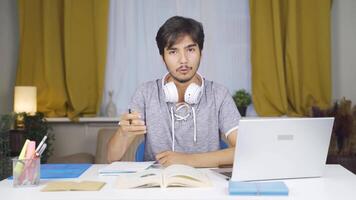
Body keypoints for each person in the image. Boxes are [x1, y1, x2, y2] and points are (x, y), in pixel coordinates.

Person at [107, 16, 241, 167]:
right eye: (173, 52)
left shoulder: (219, 94)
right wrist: (123, 133)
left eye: (190, 49)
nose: (183, 60)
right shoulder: (145, 93)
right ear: (163, 58)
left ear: (201, 53)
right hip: (158, 185)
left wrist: (187, 160)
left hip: (206, 185)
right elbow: (112, 157)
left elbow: (243, 151)